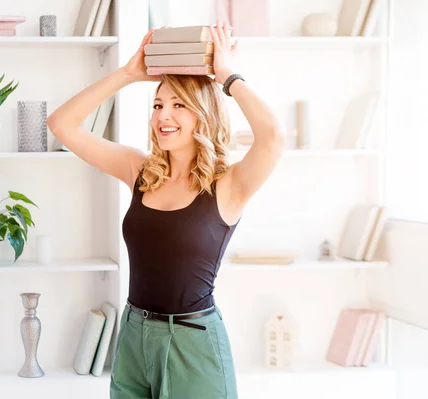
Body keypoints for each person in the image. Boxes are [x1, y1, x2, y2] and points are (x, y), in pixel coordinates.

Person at [47, 21, 285, 399]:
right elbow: (61, 124)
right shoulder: (140, 171)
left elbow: (273, 136)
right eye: (158, 104)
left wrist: (227, 76)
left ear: (203, 115)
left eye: (178, 105)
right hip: (134, 337)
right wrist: (127, 74)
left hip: (192, 344)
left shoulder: (228, 185)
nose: (163, 116)